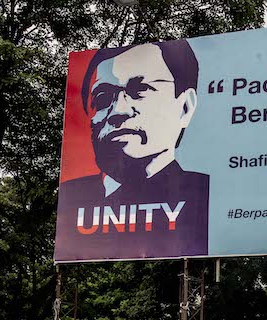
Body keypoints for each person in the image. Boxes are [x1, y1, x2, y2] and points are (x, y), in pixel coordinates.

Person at [56, 39, 210, 261]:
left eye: (140, 90)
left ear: (185, 107)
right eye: (102, 98)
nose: (119, 110)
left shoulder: (208, 196)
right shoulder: (72, 201)